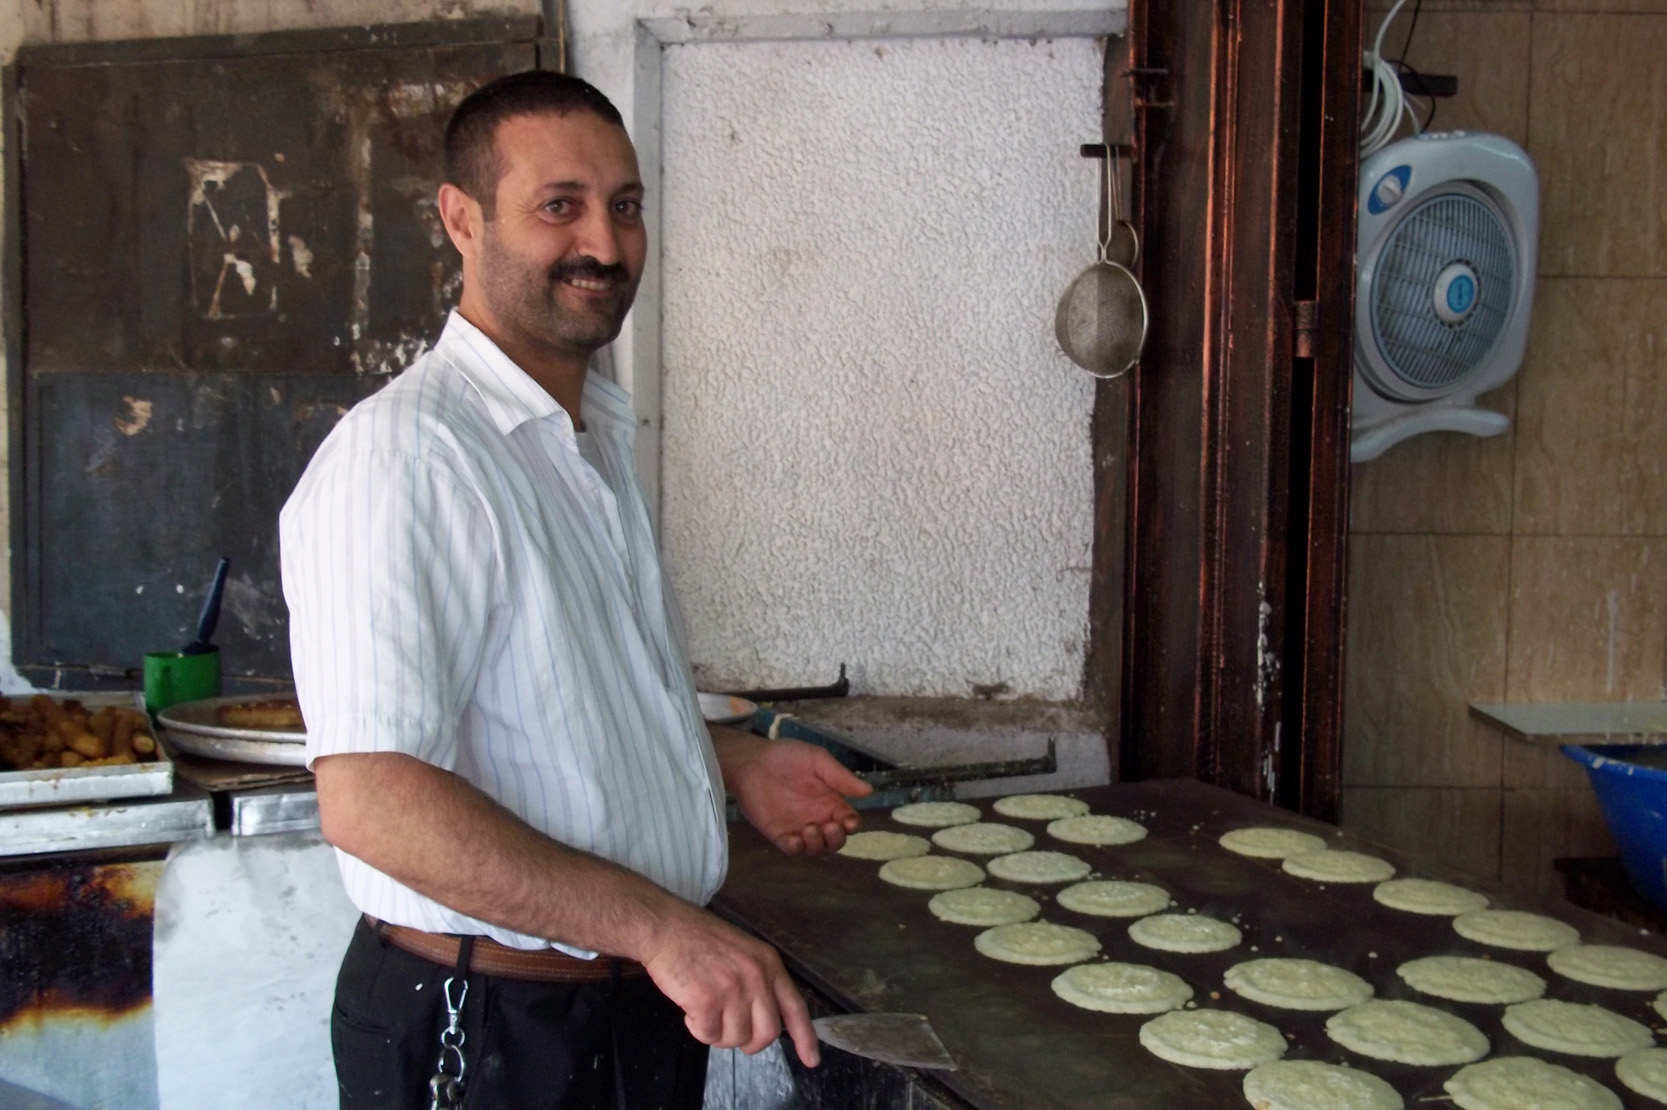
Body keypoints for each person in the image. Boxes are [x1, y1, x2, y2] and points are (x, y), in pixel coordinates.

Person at [279, 69, 873, 1109]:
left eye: (625, 206)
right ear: (461, 220)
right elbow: (373, 801)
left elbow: (557, 703)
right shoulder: (407, 459)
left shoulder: (586, 433)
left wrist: (725, 761)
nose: (603, 244)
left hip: (612, 1006)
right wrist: (661, 927)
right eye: (559, 206)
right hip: (489, 1025)